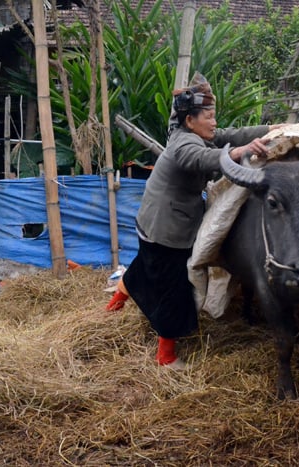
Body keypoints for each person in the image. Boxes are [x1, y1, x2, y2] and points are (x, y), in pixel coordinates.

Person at [105, 71, 282, 369]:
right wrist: (242, 152)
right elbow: (205, 160)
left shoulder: (192, 134)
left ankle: (115, 304)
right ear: (190, 120)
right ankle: (166, 356)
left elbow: (227, 135)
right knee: (174, 288)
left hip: (154, 220)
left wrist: (269, 129)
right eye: (209, 116)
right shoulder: (184, 145)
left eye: (214, 116)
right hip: (166, 227)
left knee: (146, 267)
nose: (214, 122)